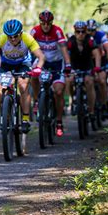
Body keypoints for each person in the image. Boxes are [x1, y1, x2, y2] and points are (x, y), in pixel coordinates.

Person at [0, 19, 45, 133]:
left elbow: (41, 57)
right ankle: (4, 115)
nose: (12, 39)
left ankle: (25, 119)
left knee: (23, 86)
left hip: (23, 64)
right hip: (7, 65)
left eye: (15, 36)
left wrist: (38, 68)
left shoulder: (28, 38)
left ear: (21, 33)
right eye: (9, 36)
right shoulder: (1, 39)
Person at [29, 9, 71, 137]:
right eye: (43, 23)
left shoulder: (57, 30)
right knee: (33, 76)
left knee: (58, 92)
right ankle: (37, 101)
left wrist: (68, 64)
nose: (46, 26)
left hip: (57, 63)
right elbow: (27, 45)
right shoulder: (35, 31)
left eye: (49, 23)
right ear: (40, 22)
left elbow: (63, 47)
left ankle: (59, 121)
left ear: (52, 22)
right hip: (42, 63)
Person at [67, 21, 101, 126]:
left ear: (86, 31)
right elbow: (65, 55)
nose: (80, 34)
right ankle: (73, 100)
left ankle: (91, 111)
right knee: (69, 80)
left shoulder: (90, 40)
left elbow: (97, 54)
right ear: (75, 31)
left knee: (89, 82)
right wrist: (67, 68)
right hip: (74, 66)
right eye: (78, 32)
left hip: (87, 66)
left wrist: (97, 68)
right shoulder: (71, 41)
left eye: (83, 31)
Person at [87, 19, 108, 118]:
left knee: (102, 81)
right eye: (89, 30)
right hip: (89, 62)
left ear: (96, 29)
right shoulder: (84, 35)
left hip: (101, 62)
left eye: (92, 30)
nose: (91, 32)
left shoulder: (101, 35)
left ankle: (104, 104)